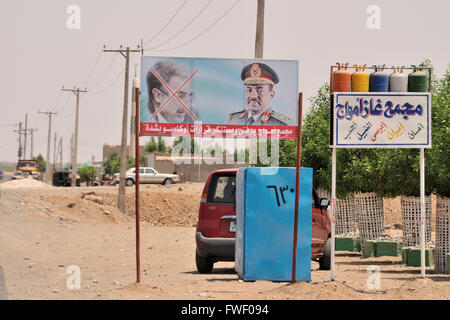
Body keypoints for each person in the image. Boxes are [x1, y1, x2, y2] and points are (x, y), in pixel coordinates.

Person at [226, 62, 293, 126]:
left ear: (271, 94)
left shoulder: (281, 124)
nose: (253, 96)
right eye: (249, 90)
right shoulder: (233, 119)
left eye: (260, 90)